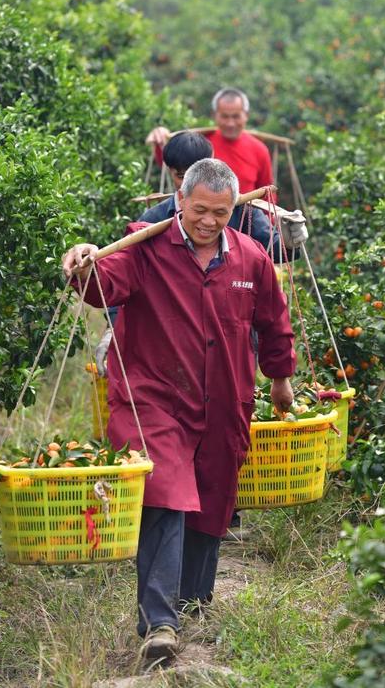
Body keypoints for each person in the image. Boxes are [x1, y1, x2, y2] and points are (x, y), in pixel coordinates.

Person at [62, 159, 296, 662]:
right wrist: (85, 264)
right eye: (200, 210)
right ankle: (159, 622)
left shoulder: (251, 258)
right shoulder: (146, 246)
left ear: (235, 209)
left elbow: (274, 322)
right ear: (180, 201)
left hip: (223, 397)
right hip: (153, 396)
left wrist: (280, 379)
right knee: (164, 494)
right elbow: (104, 286)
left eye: (222, 212)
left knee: (212, 497)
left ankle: (192, 602)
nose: (210, 221)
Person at [95, 131, 307, 375]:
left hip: (230, 337)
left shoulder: (240, 212)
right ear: (170, 172)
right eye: (181, 176)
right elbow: (123, 277)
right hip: (170, 341)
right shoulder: (152, 222)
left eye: (218, 214)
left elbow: (275, 251)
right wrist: (114, 328)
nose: (209, 221)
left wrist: (290, 241)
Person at [147, 87, 274, 194]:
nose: (230, 123)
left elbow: (267, 192)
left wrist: (269, 221)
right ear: (214, 115)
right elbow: (171, 165)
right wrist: (160, 138)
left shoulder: (259, 149)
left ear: (246, 116)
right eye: (224, 116)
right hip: (201, 217)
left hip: (244, 220)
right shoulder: (201, 143)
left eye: (236, 116)